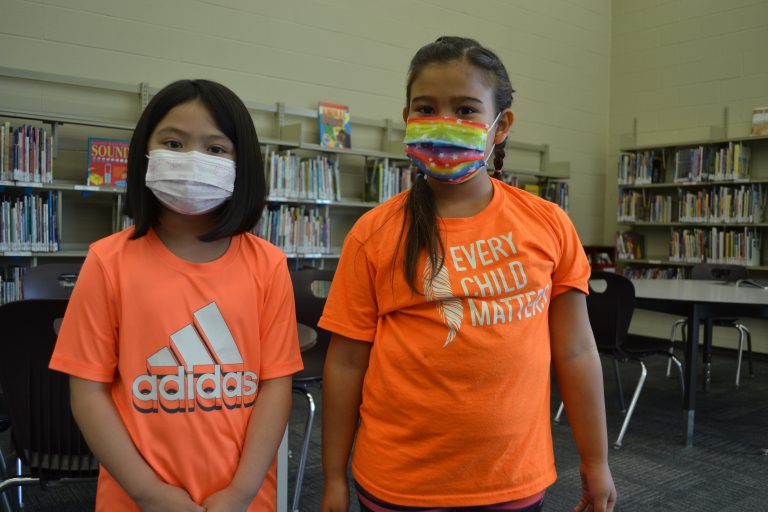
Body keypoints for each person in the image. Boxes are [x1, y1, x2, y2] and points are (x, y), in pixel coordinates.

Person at [319, 36, 617, 512]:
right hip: (399, 484)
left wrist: (596, 460)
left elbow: (577, 351)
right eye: (426, 108)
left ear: (501, 126)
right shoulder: (373, 233)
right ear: (407, 119)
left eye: (465, 110)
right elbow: (345, 364)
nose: (445, 124)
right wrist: (333, 478)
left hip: (511, 479)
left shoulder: (548, 224)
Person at [49, 79, 303, 512]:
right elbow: (87, 392)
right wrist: (149, 494)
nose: (193, 161)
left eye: (216, 149)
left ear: (243, 164)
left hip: (244, 500)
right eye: (173, 142)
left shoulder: (269, 265)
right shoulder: (108, 262)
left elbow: (275, 385)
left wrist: (241, 492)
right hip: (136, 500)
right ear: (145, 153)